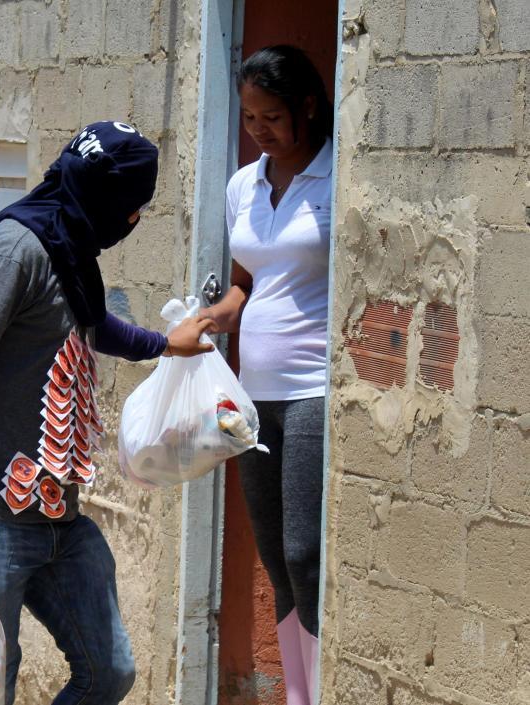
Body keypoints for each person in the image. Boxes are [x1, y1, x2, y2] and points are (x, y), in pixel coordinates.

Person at [0, 122, 215, 705]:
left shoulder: (70, 248)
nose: (132, 223)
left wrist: (164, 344)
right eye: (134, 209)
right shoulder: (14, 252)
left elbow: (93, 325)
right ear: (108, 199)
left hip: (59, 520)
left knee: (110, 671)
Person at [200, 45, 333, 705]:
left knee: (307, 554)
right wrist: (208, 319)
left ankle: (317, 691)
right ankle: (297, 694)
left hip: (314, 389)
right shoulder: (243, 186)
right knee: (278, 557)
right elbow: (246, 285)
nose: (260, 130)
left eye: (273, 116)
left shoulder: (339, 178)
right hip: (251, 401)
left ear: (308, 105)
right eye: (250, 118)